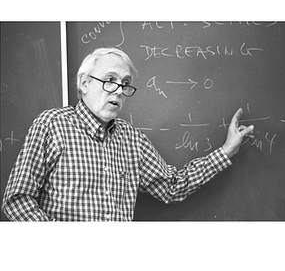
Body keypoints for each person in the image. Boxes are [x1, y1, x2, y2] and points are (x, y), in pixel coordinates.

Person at [2, 47, 254, 221]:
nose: (119, 90)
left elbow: (171, 187)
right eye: (109, 79)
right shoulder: (52, 124)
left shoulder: (132, 140)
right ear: (84, 83)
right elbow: (17, 199)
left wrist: (226, 151)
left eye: (124, 83)